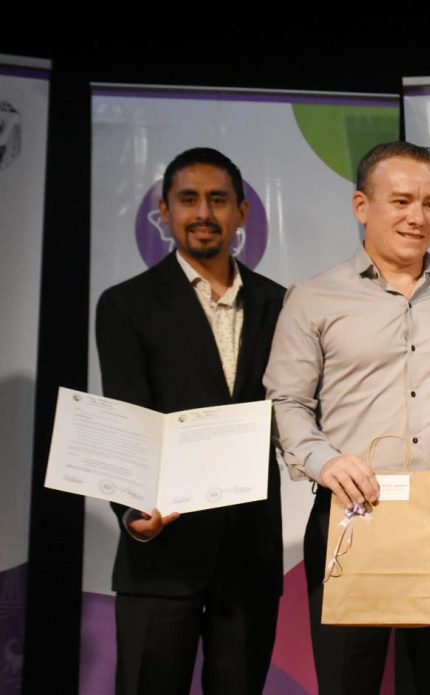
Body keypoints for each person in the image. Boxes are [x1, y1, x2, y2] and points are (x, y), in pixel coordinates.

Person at [263, 140, 430, 695]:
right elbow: (286, 402)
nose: (417, 217)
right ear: (362, 206)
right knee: (348, 680)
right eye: (401, 201)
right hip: (354, 511)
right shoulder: (313, 297)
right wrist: (324, 461)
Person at [95, 147, 285, 694]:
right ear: (165, 210)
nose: (203, 212)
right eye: (188, 199)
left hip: (248, 551)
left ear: (242, 211)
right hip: (160, 549)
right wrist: (132, 512)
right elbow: (127, 419)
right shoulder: (125, 305)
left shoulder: (279, 303)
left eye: (218, 200)